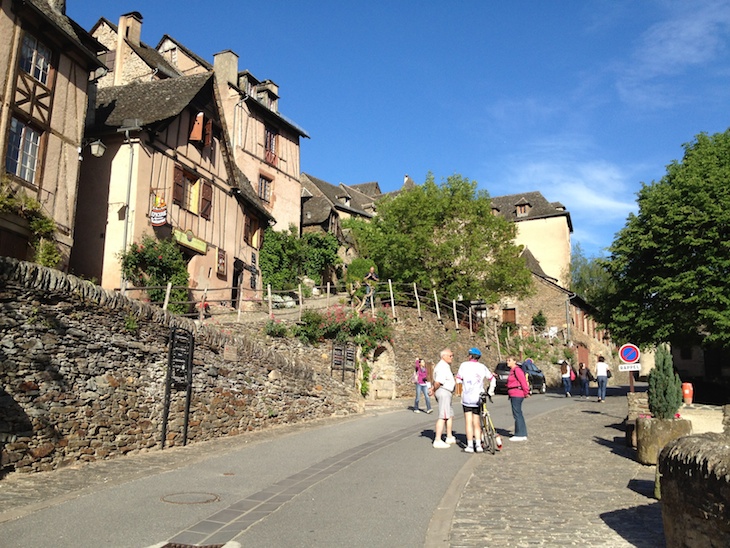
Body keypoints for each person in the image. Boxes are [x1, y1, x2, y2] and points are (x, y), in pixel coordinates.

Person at [455, 347, 496, 453]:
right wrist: (490, 391)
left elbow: (458, 379)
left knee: (468, 422)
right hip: (478, 397)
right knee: (477, 422)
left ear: (470, 356)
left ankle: (469, 445)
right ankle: (478, 445)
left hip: (467, 397)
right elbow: (492, 379)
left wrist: (459, 392)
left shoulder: (464, 365)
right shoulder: (482, 367)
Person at [428, 348, 456, 448]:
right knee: (443, 416)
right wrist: (433, 389)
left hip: (447, 392)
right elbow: (438, 382)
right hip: (444, 391)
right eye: (450, 355)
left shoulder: (445, 366)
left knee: (449, 415)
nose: (452, 357)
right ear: (444, 356)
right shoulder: (442, 367)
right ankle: (438, 439)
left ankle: (449, 436)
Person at [505, 355, 530, 441]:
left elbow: (523, 381)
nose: (507, 362)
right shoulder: (512, 371)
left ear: (514, 361)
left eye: (509, 360)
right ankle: (522, 433)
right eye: (507, 360)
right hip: (514, 393)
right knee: (518, 413)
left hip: (517, 394)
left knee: (517, 414)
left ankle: (520, 434)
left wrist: (526, 392)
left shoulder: (517, 370)